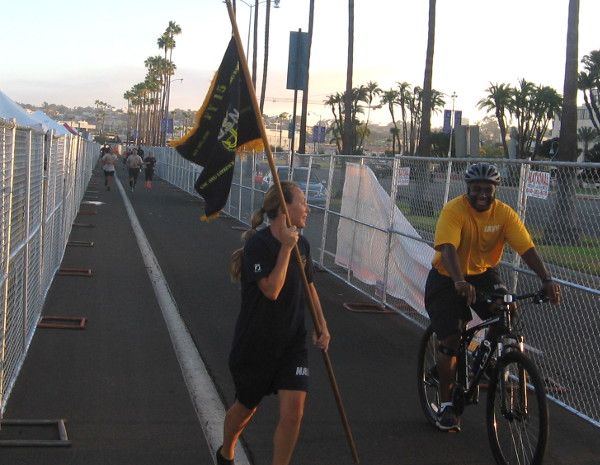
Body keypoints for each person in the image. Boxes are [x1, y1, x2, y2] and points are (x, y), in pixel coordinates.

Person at [424, 162, 560, 432]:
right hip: (447, 274)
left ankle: (482, 361)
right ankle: (448, 406)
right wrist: (459, 280)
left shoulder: (504, 214)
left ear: (495, 190)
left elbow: (526, 248)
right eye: (476, 189)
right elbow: (448, 247)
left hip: (483, 273)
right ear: (468, 189)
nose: (482, 194)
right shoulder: (455, 209)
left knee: (507, 308)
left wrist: (546, 279)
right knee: (450, 338)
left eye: (488, 189)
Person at [217, 181, 330, 465]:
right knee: (246, 408)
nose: (308, 208)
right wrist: (285, 250)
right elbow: (271, 290)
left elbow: (310, 288)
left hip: (291, 342)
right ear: (283, 209)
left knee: (295, 412)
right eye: (302, 202)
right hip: (256, 343)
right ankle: (226, 451)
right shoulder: (258, 244)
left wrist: (322, 326)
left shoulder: (302, 243)